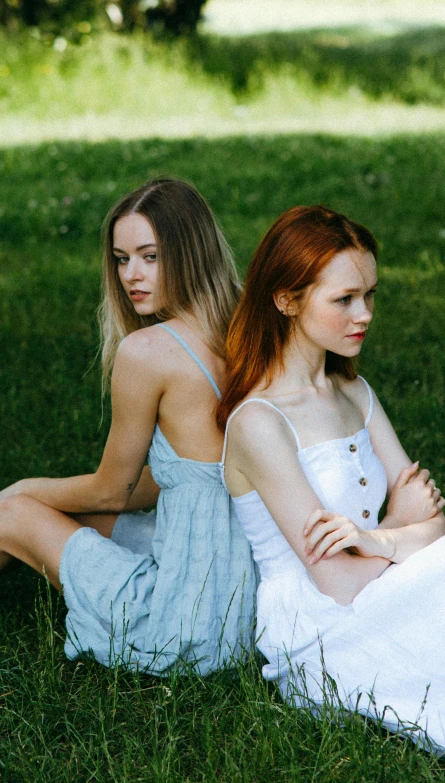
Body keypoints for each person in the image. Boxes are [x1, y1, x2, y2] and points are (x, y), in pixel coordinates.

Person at [217, 204, 445, 774]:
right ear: (286, 300)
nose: (365, 314)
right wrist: (396, 530)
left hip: (381, 579)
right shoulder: (259, 422)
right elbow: (334, 579)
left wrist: (376, 539)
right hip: (321, 626)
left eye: (371, 295)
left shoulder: (354, 393)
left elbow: (435, 526)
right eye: (344, 299)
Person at [0, 178, 256, 676]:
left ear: (189, 253)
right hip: (244, 610)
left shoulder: (148, 351)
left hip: (181, 624)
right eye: (121, 259)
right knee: (64, 519)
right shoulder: (246, 329)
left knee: (9, 516)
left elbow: (111, 492)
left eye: (150, 257)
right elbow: (154, 486)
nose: (131, 276)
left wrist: (23, 492)